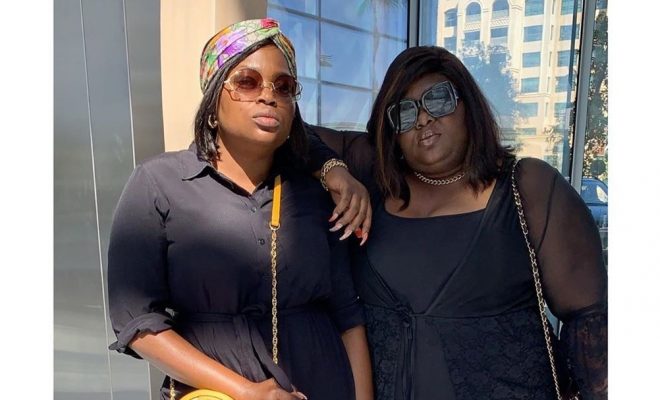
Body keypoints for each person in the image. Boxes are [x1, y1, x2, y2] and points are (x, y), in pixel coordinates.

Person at [307, 46, 607, 399]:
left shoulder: (529, 187)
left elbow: (591, 325)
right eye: (404, 112)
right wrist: (335, 171)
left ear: (468, 106)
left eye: (438, 100)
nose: (422, 119)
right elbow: (292, 132)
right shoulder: (378, 182)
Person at [107, 18, 373, 400]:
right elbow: (136, 321)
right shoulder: (158, 183)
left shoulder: (314, 193)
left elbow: (347, 315)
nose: (268, 96)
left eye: (283, 86)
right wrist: (246, 392)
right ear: (213, 101)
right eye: (247, 82)